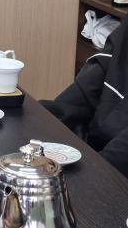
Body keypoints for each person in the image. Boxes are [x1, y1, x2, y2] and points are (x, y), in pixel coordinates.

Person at [40, 15, 128, 177]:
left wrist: (92, 173)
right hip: (95, 152)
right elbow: (83, 93)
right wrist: (40, 119)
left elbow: (117, 159)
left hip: (113, 171)